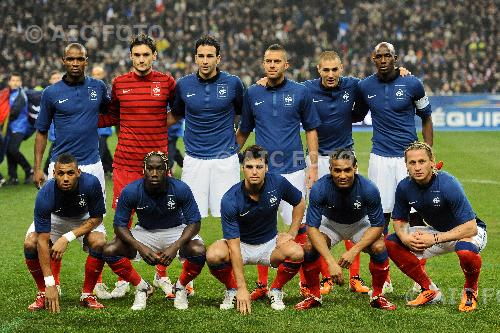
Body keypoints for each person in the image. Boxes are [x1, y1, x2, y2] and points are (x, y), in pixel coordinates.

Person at [235, 44, 320, 299]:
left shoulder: (300, 92)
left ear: (287, 64)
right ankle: (262, 285)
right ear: (263, 64)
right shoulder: (253, 93)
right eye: (268, 61)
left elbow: (311, 129)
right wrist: (229, 155)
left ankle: (308, 285)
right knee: (262, 225)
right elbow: (244, 130)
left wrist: (313, 165)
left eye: (277, 61)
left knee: (301, 226)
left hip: (293, 167)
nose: (272, 65)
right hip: (262, 172)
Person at [98, 34, 177, 298]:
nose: (142, 59)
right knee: (124, 220)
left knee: (161, 218)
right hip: (126, 163)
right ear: (131, 57)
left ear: (154, 55)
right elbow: (113, 116)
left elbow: (179, 111)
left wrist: (156, 125)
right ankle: (125, 276)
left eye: (146, 55)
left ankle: (162, 275)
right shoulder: (119, 84)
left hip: (158, 164)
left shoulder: (167, 82)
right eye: (137, 55)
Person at [33, 42, 115, 299]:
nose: (75, 64)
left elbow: (111, 113)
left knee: (95, 223)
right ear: (63, 61)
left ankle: (97, 283)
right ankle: (53, 282)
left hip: (92, 163)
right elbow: (42, 131)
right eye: (70, 59)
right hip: (60, 165)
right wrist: (37, 168)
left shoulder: (98, 87)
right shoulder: (51, 92)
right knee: (54, 219)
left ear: (86, 60)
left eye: (80, 59)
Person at [357, 42, 434, 292]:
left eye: (387, 55)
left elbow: (426, 117)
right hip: (380, 159)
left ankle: (418, 274)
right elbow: (352, 110)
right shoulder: (365, 86)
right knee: (380, 219)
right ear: (373, 58)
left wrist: (426, 156)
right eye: (378, 56)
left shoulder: (412, 83)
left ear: (395, 58)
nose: (382, 59)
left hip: (407, 159)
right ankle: (384, 278)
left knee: (415, 216)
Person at [385, 141, 487, 312]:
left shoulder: (447, 183)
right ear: (406, 166)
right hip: (437, 233)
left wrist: (434, 238)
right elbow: (400, 220)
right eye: (412, 163)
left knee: (465, 250)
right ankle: (429, 289)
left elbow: (471, 227)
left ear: (432, 161)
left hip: (467, 233)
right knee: (391, 242)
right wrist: (406, 238)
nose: (417, 167)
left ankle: (470, 291)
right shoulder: (404, 186)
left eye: (422, 161)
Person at [206, 145, 306, 314]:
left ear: (266, 167)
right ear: (242, 168)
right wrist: (241, 287)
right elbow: (234, 246)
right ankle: (231, 290)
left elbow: (300, 202)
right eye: (249, 167)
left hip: (269, 246)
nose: (254, 172)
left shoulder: (278, 182)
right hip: (241, 245)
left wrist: (292, 233)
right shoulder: (230, 199)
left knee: (296, 252)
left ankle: (276, 289)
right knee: (213, 255)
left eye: (259, 167)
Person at [102, 151, 205, 310]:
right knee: (110, 250)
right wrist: (139, 247)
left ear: (167, 170)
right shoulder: (131, 190)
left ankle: (181, 286)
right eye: (150, 168)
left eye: (160, 169)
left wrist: (175, 247)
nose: (155, 173)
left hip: (176, 230)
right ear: (144, 170)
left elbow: (195, 222)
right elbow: (119, 225)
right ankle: (142, 287)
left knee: (198, 250)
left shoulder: (180, 188)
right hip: (145, 232)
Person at [298, 148, 396, 310]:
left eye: (347, 170)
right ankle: (314, 295)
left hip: (359, 223)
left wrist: (354, 250)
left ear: (355, 168)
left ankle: (377, 295)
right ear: (330, 170)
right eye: (337, 170)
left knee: (379, 246)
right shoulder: (319, 188)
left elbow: (378, 225)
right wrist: (331, 262)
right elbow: (312, 228)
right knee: (309, 246)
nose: (342, 175)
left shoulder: (368, 188)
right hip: (330, 223)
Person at [170, 35, 244, 218]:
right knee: (189, 217)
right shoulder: (183, 85)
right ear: (195, 58)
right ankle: (193, 247)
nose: (205, 61)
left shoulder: (233, 83)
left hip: (225, 161)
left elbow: (245, 116)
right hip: (194, 160)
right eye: (201, 56)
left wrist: (236, 147)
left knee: (231, 216)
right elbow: (175, 115)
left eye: (210, 56)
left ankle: (230, 248)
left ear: (218, 58)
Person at [23, 153, 107, 312]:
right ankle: (43, 292)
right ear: (53, 174)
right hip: (55, 218)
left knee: (99, 242)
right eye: (61, 173)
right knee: (30, 243)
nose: (66, 178)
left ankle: (87, 294)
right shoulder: (45, 194)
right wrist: (50, 283)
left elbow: (97, 218)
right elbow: (42, 240)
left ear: (78, 172)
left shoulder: (91, 183)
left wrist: (67, 237)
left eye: (70, 173)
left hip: (83, 218)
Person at [3, 73, 32, 185]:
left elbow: (14, 112)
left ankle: (29, 170)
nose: (15, 82)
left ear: (20, 83)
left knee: (12, 150)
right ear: (9, 82)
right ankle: (13, 176)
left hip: (19, 127)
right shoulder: (8, 94)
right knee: (9, 151)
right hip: (9, 128)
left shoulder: (21, 94)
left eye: (17, 80)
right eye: (13, 80)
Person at [91, 65, 113, 176]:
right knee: (104, 148)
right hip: (94, 124)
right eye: (94, 74)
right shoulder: (89, 88)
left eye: (98, 74)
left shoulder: (108, 89)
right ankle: (111, 167)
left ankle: (97, 171)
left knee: (100, 147)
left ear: (103, 75)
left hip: (104, 126)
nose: (96, 76)